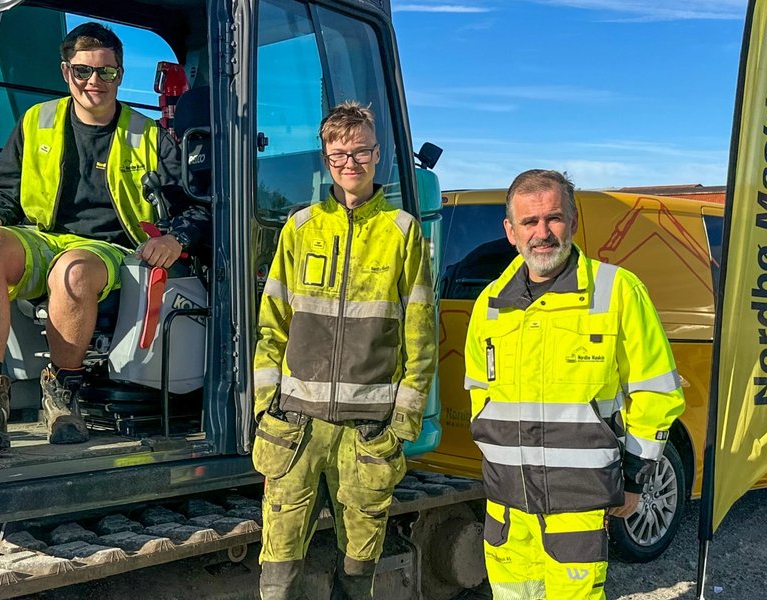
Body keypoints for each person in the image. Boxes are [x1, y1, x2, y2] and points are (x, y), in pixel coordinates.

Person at [0, 22, 208, 445]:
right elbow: (4, 191)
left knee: (72, 272)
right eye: (83, 72)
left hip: (105, 247)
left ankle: (62, 394)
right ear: (65, 72)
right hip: (41, 237)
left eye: (106, 72)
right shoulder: (37, 121)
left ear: (120, 75)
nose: (95, 81)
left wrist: (174, 239)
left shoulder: (148, 136)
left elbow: (194, 205)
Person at [464, 169, 685, 599]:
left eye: (553, 219)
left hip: (578, 502)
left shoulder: (617, 291)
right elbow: (479, 393)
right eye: (529, 222)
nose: (542, 233)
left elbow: (657, 391)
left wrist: (636, 477)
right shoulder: (490, 304)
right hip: (507, 503)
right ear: (510, 231)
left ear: (574, 221)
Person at [251, 101, 435, 599]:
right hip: (296, 428)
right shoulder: (301, 227)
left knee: (358, 565)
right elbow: (273, 323)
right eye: (338, 155)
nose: (349, 163)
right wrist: (267, 405)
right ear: (325, 159)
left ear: (378, 156)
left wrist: (402, 424)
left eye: (360, 152)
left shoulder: (401, 233)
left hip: (367, 432)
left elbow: (420, 336)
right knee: (279, 562)